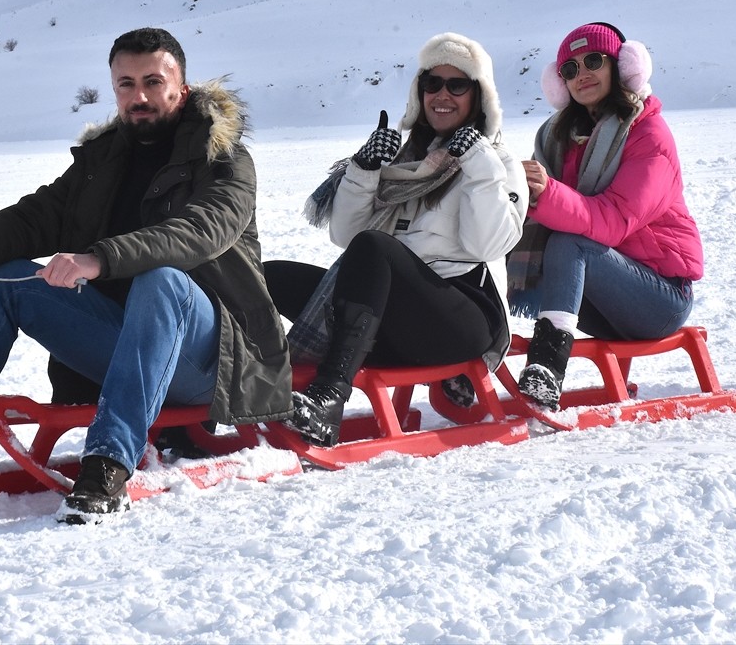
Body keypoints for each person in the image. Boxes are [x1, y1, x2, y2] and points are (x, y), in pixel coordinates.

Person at [0, 27, 292, 523]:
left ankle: (109, 461)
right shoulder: (105, 160)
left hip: (216, 360)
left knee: (162, 280)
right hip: (127, 347)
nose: (138, 96)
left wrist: (100, 258)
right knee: (5, 279)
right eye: (125, 84)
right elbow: (39, 216)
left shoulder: (224, 161)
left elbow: (198, 231)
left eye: (153, 82)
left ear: (180, 88)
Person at [264, 32, 528, 447]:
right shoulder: (405, 160)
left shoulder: (499, 163)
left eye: (457, 85)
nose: (443, 95)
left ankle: (329, 394)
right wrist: (365, 171)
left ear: (479, 97)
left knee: (376, 247)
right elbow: (345, 237)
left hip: (458, 321)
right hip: (388, 319)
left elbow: (487, 245)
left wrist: (477, 161)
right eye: (432, 84)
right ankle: (231, 394)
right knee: (265, 275)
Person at [508, 22, 702, 410]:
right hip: (599, 300)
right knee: (501, 229)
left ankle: (547, 366)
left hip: (660, 300)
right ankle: (468, 357)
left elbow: (611, 221)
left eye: (593, 61)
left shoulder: (649, 135)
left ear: (621, 66)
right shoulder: (559, 140)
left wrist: (547, 192)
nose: (582, 75)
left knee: (570, 241)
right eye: (570, 69)